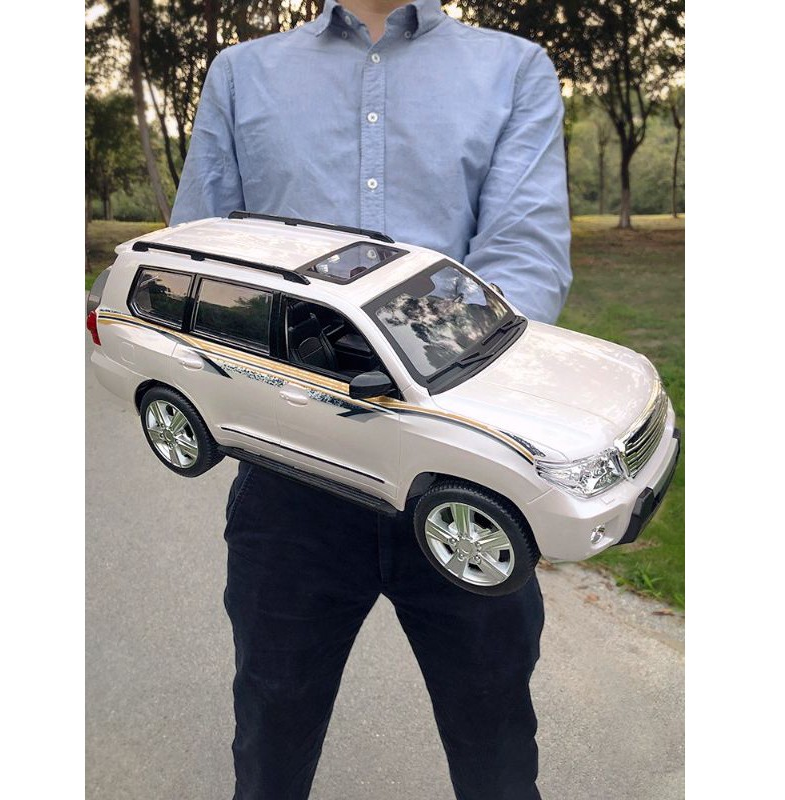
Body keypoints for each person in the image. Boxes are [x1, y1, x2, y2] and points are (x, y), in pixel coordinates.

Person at [171, 1, 571, 798]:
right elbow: (202, 252)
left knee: (495, 740)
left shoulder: (514, 69)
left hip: (464, 475)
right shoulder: (242, 75)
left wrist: (406, 377)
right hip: (290, 474)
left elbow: (524, 258)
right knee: (271, 731)